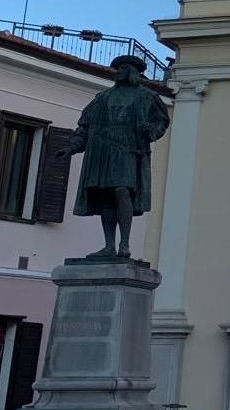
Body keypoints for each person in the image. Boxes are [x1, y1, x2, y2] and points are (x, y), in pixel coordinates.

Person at [58, 54, 169, 259]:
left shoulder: (147, 97)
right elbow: (84, 126)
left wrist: (150, 131)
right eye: (117, 69)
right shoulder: (102, 98)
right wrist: (72, 147)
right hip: (102, 150)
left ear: (133, 72)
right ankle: (109, 245)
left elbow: (161, 122)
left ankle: (124, 244)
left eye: (123, 68)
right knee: (106, 196)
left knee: (122, 190)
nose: (118, 72)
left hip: (128, 149)